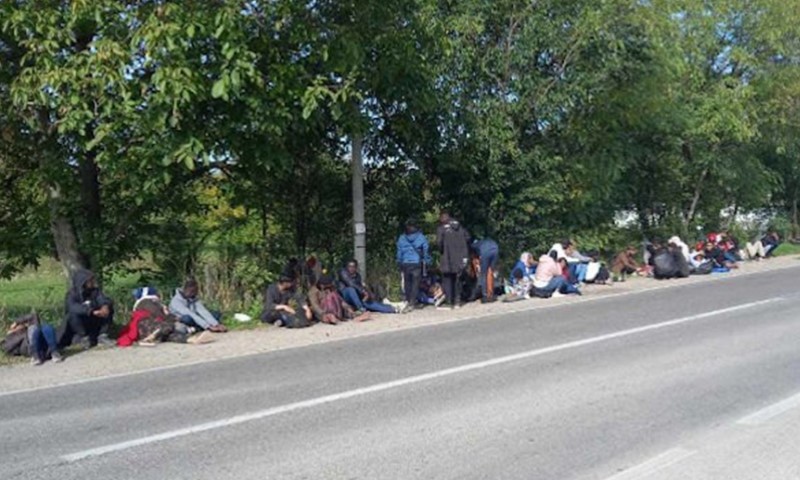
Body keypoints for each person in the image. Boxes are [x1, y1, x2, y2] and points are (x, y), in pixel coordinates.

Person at [118, 287, 197, 347]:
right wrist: (172, 317)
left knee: (169, 335)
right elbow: (159, 315)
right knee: (169, 326)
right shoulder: (147, 302)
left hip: (150, 327)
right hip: (147, 325)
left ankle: (189, 339)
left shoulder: (146, 303)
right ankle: (151, 337)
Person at [57, 269, 114, 349]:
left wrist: (105, 306)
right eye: (90, 281)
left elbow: (102, 299)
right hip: (81, 323)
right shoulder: (72, 294)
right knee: (72, 315)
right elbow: (72, 307)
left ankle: (102, 336)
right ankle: (83, 338)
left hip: (95, 320)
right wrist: (90, 311)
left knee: (108, 308)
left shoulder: (95, 291)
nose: (92, 282)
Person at [436, 212, 471, 309]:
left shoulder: (441, 229)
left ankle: (449, 302)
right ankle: (457, 301)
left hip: (447, 258)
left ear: (443, 219)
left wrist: (442, 250)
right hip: (460, 258)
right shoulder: (461, 228)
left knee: (447, 280)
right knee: (458, 280)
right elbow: (468, 238)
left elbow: (439, 243)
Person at [396, 219, 431, 313]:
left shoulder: (402, 238)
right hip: (416, 262)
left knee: (407, 282)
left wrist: (399, 261)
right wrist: (427, 261)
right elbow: (426, 250)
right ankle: (412, 302)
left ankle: (407, 300)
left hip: (405, 263)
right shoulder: (421, 237)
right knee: (415, 283)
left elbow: (399, 252)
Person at [472, 237, 499, 303]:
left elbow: (474, 258)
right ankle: (491, 293)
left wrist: (476, 269)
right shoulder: (485, 241)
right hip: (495, 249)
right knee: (490, 271)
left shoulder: (473, 246)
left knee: (484, 274)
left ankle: (485, 295)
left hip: (486, 252)